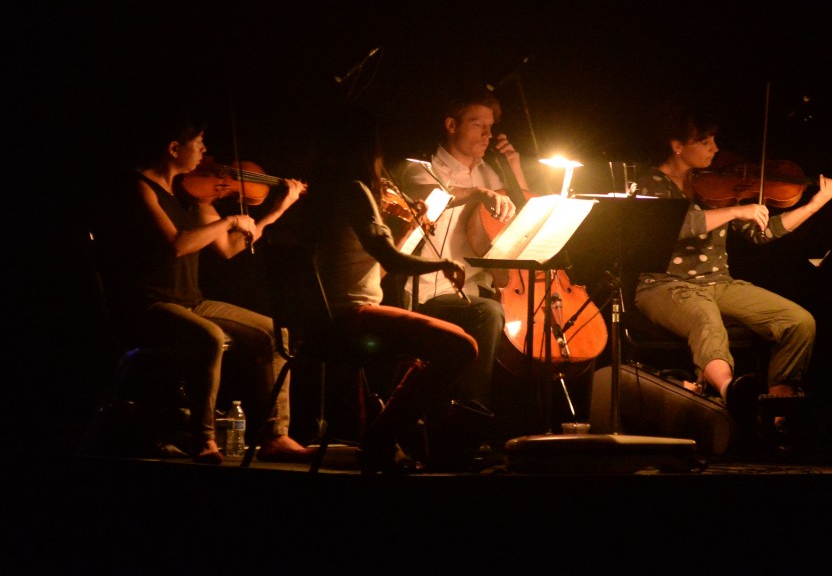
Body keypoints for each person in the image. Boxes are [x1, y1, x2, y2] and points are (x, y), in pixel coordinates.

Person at [99, 102, 315, 465]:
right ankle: (203, 440)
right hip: (151, 304)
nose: (204, 150)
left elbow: (231, 247)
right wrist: (229, 220)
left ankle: (276, 435)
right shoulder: (141, 187)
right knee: (210, 337)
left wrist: (277, 210)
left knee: (274, 334)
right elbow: (179, 243)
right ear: (173, 148)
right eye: (198, 142)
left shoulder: (191, 193)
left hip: (190, 300)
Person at [633, 97, 832, 432]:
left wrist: (814, 204)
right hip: (664, 285)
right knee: (706, 317)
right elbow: (679, 227)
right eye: (704, 141)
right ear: (677, 146)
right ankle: (732, 392)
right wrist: (735, 210)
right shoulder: (650, 184)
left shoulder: (717, 183)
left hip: (719, 283)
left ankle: (780, 408)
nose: (715, 148)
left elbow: (763, 232)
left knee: (798, 321)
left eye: (714, 139)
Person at [304, 104, 478, 474]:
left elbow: (375, 264)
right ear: (368, 147)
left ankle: (384, 439)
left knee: (422, 350)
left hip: (326, 321)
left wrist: (404, 231)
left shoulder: (321, 192)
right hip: (352, 319)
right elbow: (393, 261)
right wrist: (443, 263)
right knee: (462, 345)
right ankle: (382, 439)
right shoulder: (355, 190)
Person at [398, 85, 528, 417]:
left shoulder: (490, 172)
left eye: (490, 126)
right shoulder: (420, 168)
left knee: (528, 323)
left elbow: (525, 218)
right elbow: (438, 195)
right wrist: (478, 193)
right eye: (477, 124)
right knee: (487, 313)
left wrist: (514, 168)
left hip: (476, 288)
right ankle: (474, 412)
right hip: (431, 292)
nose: (488, 134)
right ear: (451, 125)